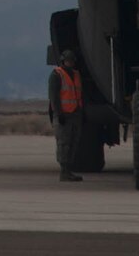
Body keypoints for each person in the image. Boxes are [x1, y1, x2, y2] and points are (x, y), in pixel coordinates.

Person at [48, 48, 84, 181]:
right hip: (64, 115)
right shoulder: (56, 75)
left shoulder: (76, 75)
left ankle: (68, 170)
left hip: (75, 114)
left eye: (72, 61)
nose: (70, 63)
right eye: (68, 61)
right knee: (64, 143)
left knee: (73, 142)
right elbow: (54, 97)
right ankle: (64, 171)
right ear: (63, 61)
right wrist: (59, 114)